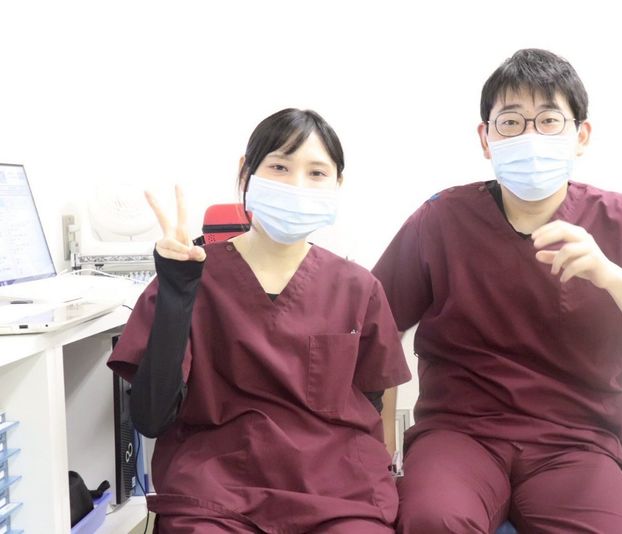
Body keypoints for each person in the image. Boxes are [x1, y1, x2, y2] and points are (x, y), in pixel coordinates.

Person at [372, 49, 622, 533]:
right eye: (511, 122)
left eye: (549, 121)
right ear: (486, 138)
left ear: (581, 135)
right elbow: (375, 329)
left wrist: (611, 276)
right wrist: (380, 446)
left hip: (580, 442)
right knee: (433, 520)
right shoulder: (441, 219)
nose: (530, 137)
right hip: (460, 435)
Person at [107, 108, 411, 534]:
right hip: (215, 493)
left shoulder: (357, 287)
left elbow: (373, 401)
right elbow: (150, 418)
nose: (297, 185)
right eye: (280, 167)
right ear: (246, 173)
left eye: (316, 173)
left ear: (338, 185)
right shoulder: (191, 277)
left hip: (337, 491)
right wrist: (176, 289)